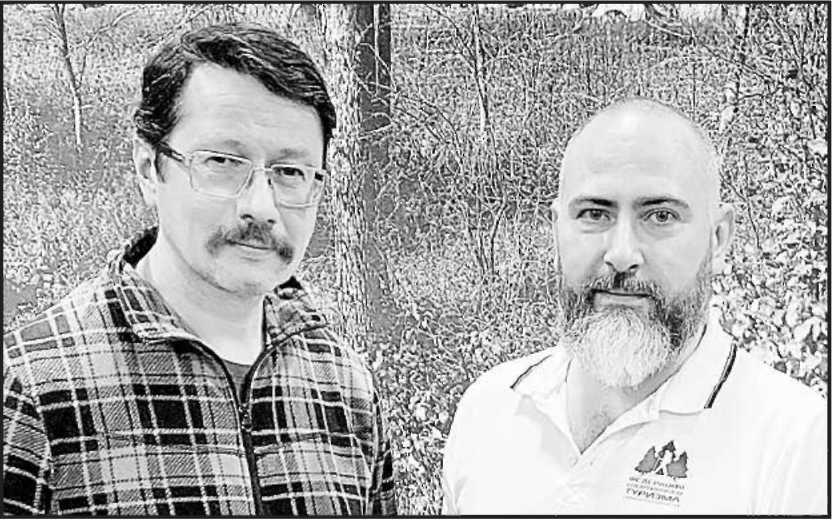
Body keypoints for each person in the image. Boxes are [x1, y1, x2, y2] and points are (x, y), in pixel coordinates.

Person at [3, 23, 396, 516]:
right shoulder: (34, 387)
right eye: (223, 162)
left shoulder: (344, 385)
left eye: (290, 172)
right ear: (150, 168)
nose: (261, 206)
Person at [441, 98, 826, 515]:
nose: (622, 254)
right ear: (556, 231)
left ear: (717, 239)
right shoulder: (491, 410)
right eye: (594, 214)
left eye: (660, 216)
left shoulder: (798, 446)